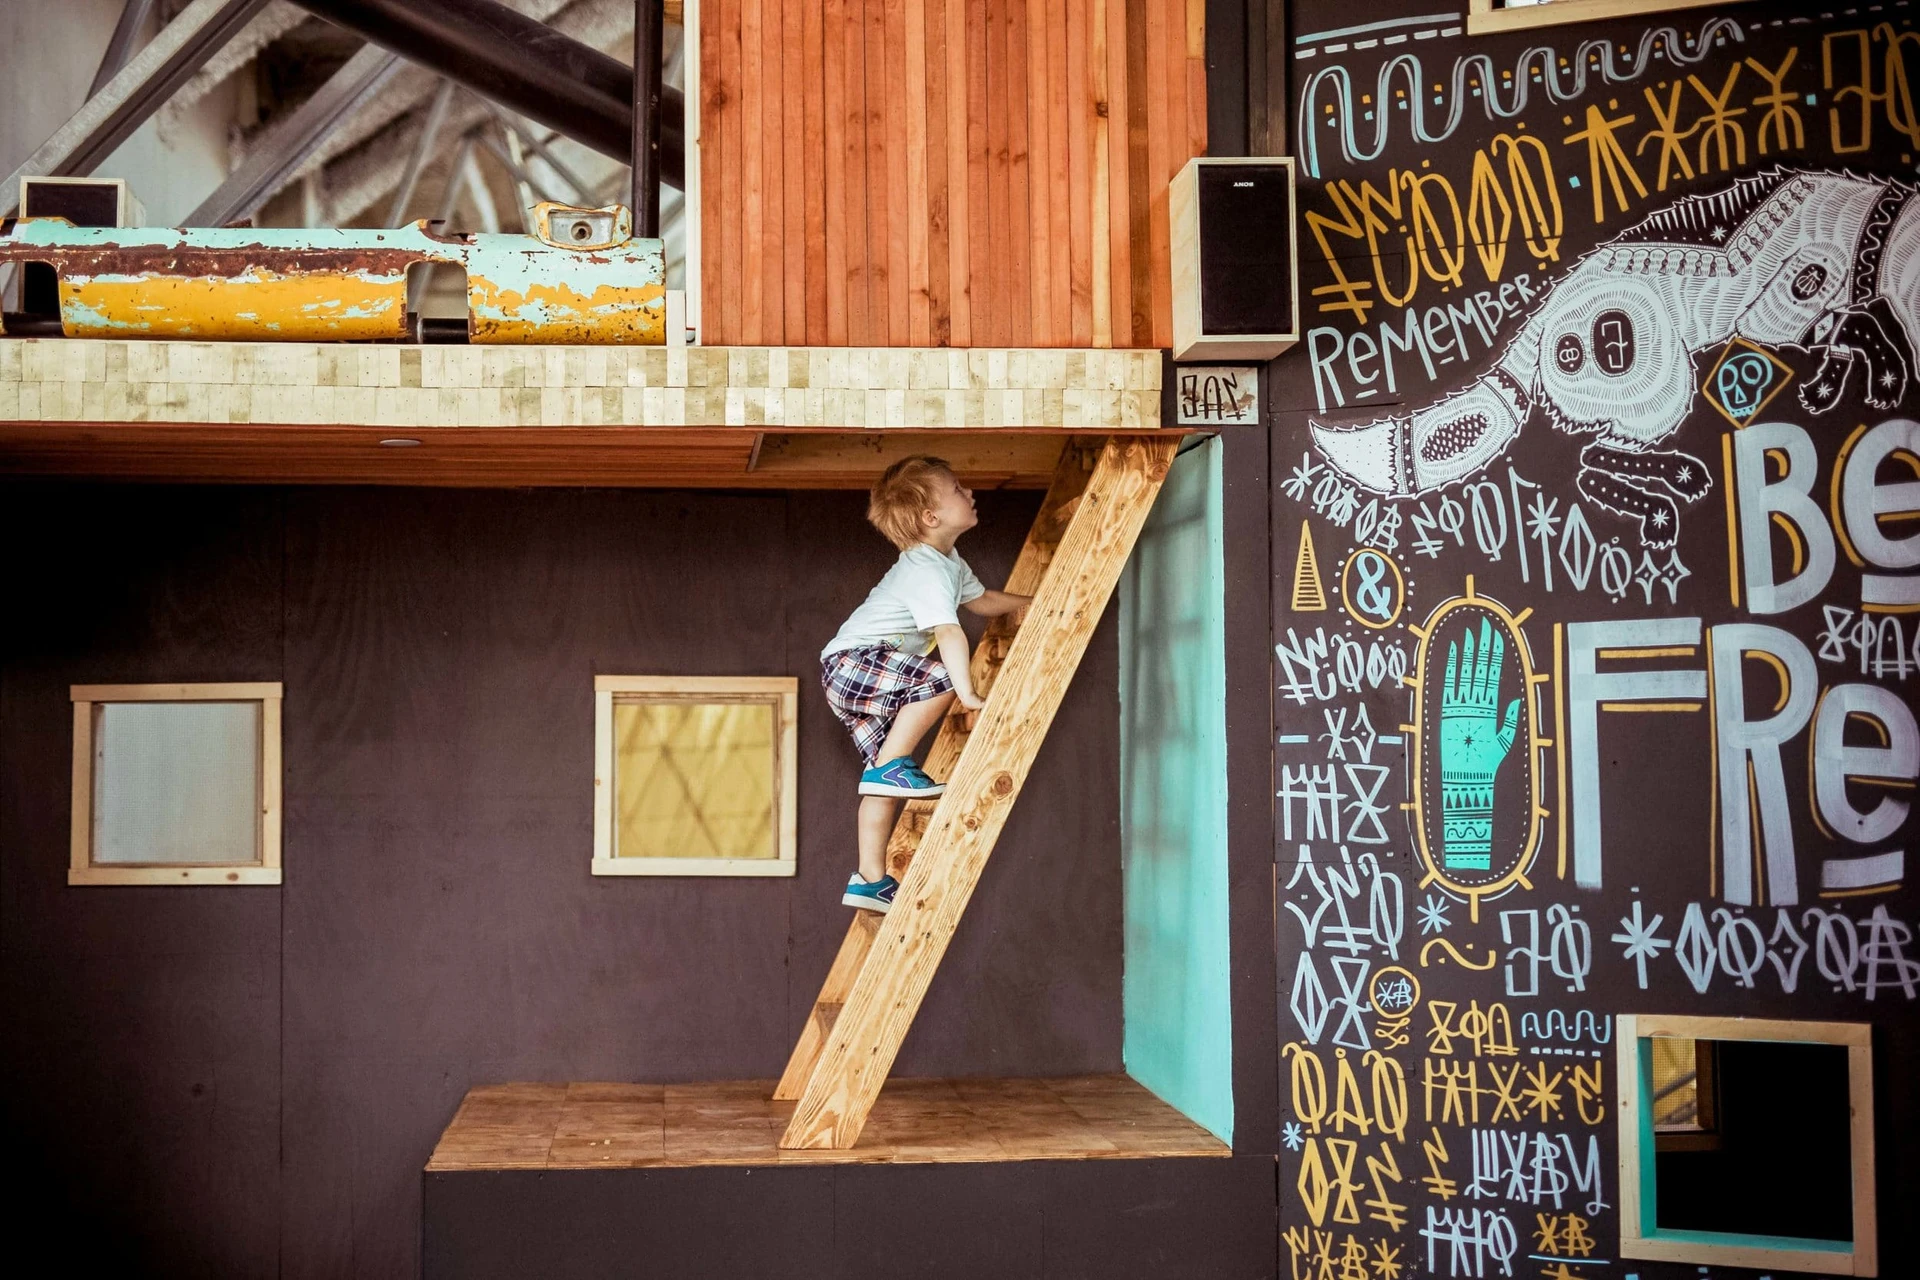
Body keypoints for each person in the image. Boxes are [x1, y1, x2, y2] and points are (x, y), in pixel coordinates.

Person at [819, 456, 1031, 913]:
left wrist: (1035, 603)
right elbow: (950, 631)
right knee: (938, 678)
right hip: (852, 663)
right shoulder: (925, 568)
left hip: (852, 675)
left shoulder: (948, 562)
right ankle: (892, 767)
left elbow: (982, 601)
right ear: (931, 517)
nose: (969, 493)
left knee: (880, 779)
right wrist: (967, 692)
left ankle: (869, 880)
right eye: (957, 489)